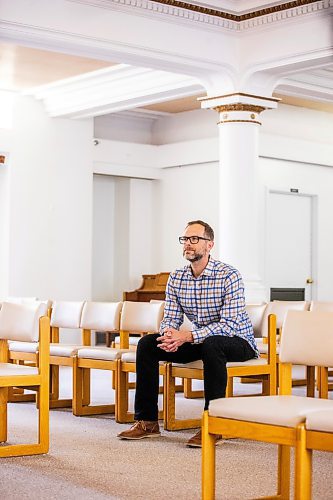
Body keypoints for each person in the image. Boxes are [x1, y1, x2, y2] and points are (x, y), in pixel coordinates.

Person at [118, 220, 259, 447]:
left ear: (209, 245)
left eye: (195, 239)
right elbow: (171, 318)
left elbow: (229, 325)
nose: (188, 244)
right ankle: (147, 422)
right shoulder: (177, 277)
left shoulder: (229, 275)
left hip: (237, 341)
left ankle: (213, 426)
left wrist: (187, 336)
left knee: (213, 344)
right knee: (147, 344)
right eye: (185, 239)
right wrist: (169, 335)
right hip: (202, 340)